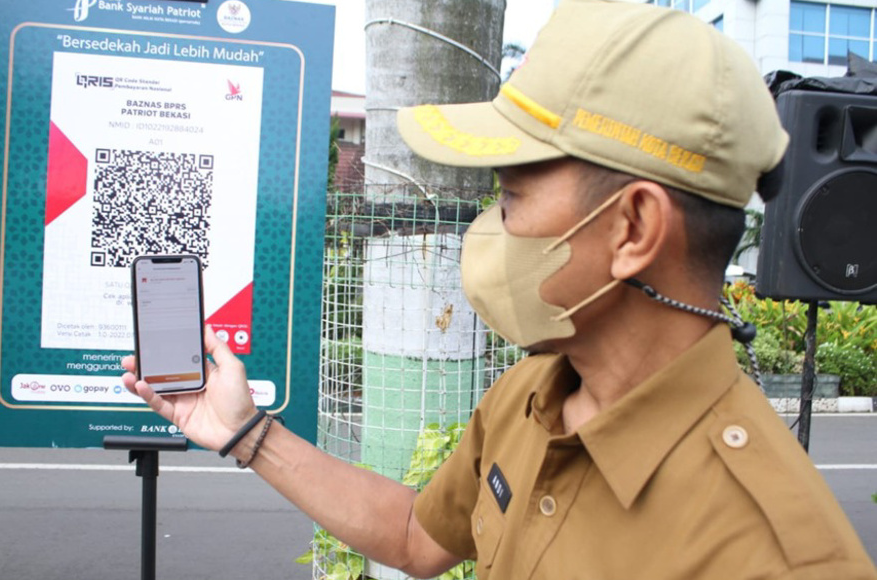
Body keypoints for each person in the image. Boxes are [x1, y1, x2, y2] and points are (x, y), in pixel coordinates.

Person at [122, 1, 877, 578]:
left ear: (634, 228)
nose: (491, 228)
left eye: (511, 196)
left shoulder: (775, 556)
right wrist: (246, 432)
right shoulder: (531, 391)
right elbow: (420, 535)